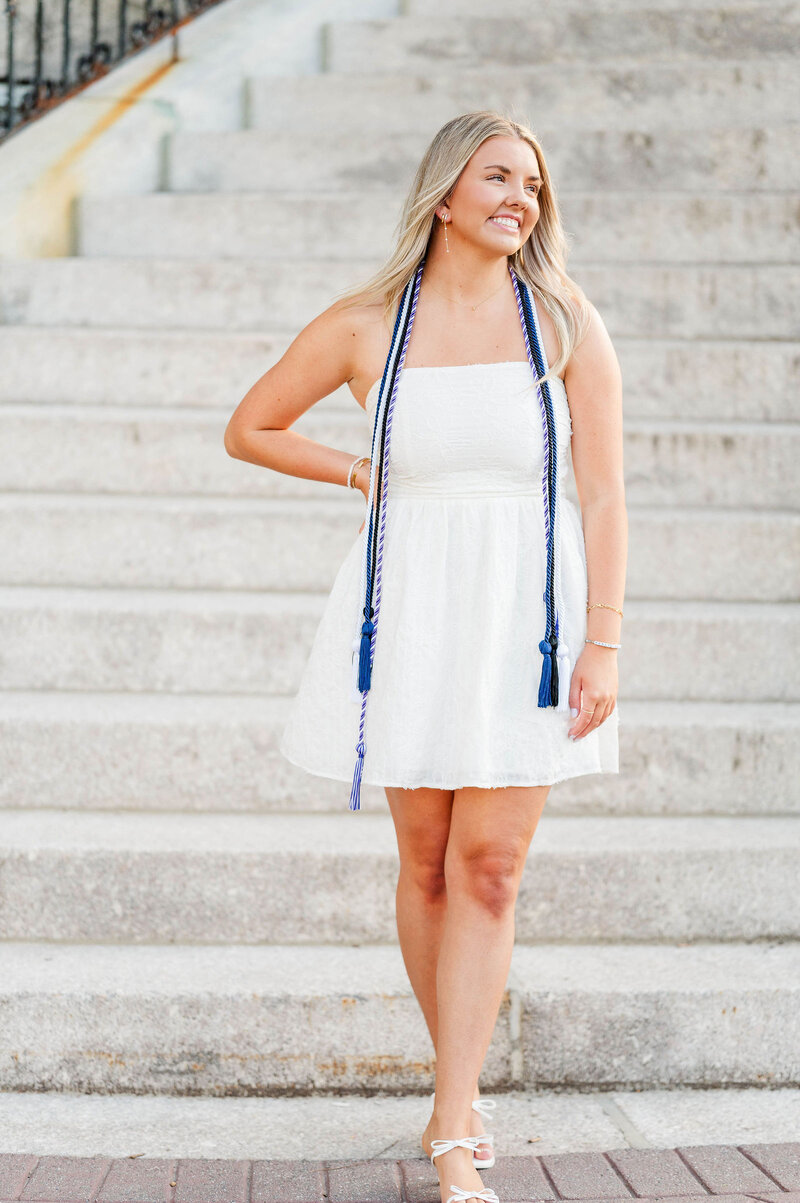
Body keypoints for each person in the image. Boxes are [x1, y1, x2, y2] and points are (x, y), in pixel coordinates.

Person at [224, 110, 626, 1203]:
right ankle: (457, 1092)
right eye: (497, 178)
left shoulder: (563, 321)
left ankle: (453, 1118)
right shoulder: (368, 325)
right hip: (410, 606)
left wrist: (602, 642)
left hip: (528, 615)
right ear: (444, 194)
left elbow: (602, 493)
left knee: (491, 867)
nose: (520, 199)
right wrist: (361, 475)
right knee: (427, 859)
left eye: (532, 185)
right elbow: (251, 426)